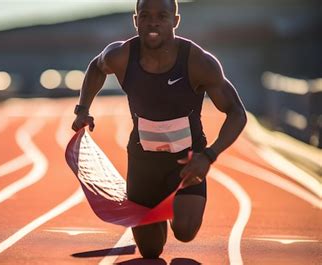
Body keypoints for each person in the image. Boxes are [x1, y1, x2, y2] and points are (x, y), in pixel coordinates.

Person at [71, 0, 247, 259]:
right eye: (145, 15)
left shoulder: (198, 62)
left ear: (175, 21)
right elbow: (97, 67)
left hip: (187, 161)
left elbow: (237, 113)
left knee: (186, 231)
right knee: (151, 251)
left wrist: (209, 155)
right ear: (136, 20)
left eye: (162, 16)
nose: (153, 22)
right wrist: (83, 109)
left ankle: (176, 204)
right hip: (144, 162)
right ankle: (155, 211)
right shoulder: (120, 56)